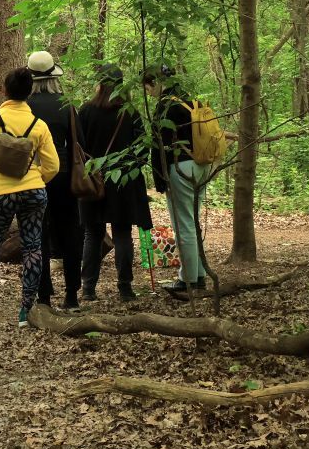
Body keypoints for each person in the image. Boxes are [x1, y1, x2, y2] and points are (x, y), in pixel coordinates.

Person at [0, 67, 59, 333]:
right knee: (32, 249)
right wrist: (36, 177)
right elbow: (53, 165)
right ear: (29, 93)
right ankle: (26, 311)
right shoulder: (38, 125)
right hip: (33, 194)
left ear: (4, 91)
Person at [78, 65, 153, 302]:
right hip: (124, 183)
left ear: (100, 84)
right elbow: (143, 151)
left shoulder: (86, 111)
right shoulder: (130, 112)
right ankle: (125, 288)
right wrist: (128, 168)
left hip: (93, 181)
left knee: (93, 234)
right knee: (122, 234)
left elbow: (78, 149)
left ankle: (88, 288)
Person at [25, 50, 83, 310]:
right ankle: (72, 294)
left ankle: (43, 295)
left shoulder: (25, 106)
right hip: (65, 175)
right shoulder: (66, 105)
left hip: (33, 176)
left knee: (38, 236)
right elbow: (78, 142)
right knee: (69, 233)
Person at [144, 64, 208, 294]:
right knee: (192, 221)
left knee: (183, 225)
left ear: (155, 83)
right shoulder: (189, 100)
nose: (149, 93)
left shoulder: (166, 107)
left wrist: (159, 178)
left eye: (149, 88)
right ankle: (198, 274)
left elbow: (157, 145)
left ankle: (189, 280)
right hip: (201, 165)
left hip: (180, 167)